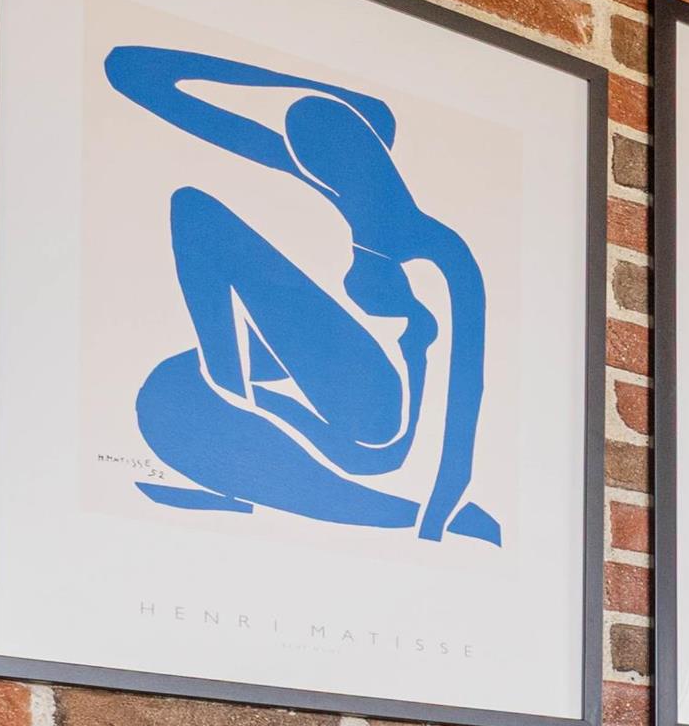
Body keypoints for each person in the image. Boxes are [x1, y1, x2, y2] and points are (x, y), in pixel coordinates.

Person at [105, 45, 498, 546]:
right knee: (174, 379)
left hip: (381, 431)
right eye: (303, 158)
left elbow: (462, 394)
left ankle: (240, 417)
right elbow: (131, 70)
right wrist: (318, 90)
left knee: (197, 217)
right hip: (338, 393)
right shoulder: (338, 193)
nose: (300, 165)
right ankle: (236, 417)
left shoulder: (437, 253)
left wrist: (436, 517)